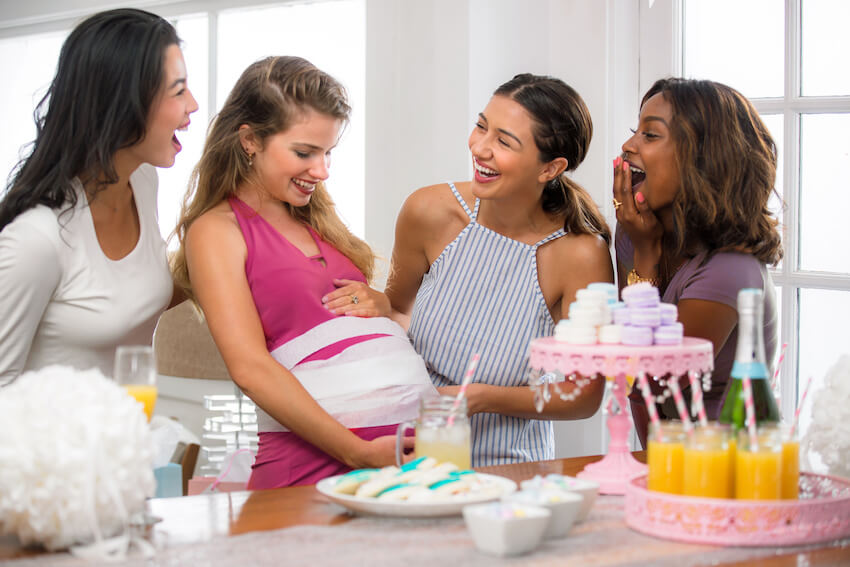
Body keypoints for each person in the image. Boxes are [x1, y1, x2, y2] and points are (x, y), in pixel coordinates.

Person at [171, 56, 436, 488]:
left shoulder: (319, 222)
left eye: (328, 152)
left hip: (406, 465)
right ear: (250, 140)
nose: (322, 171)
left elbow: (365, 326)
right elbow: (249, 367)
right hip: (316, 464)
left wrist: (383, 305)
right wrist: (356, 449)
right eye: (304, 153)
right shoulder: (216, 231)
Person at [385, 73, 612, 466]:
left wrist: (481, 398)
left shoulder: (579, 255)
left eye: (504, 142)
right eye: (481, 126)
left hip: (512, 471)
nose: (480, 148)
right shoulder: (429, 211)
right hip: (411, 459)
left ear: (550, 168)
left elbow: (584, 395)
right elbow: (396, 311)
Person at [0, 9, 198, 384]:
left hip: (129, 435)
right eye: (178, 90)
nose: (193, 105)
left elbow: (130, 294)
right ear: (123, 102)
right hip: (54, 442)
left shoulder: (143, 181)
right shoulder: (35, 241)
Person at [613, 77, 783, 446]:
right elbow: (630, 365)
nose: (628, 146)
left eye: (650, 135)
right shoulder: (633, 233)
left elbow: (653, 380)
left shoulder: (730, 269)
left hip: (732, 469)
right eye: (634, 131)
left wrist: (644, 255)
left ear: (704, 158)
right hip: (670, 461)